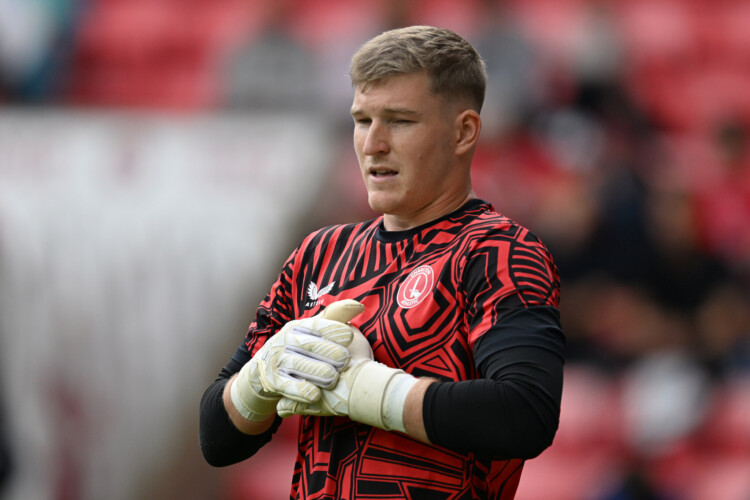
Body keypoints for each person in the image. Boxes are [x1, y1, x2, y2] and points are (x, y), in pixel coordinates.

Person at [199, 25, 565, 499]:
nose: (373, 143)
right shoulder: (318, 254)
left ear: (464, 132)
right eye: (362, 120)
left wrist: (374, 392)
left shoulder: (499, 251)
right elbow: (217, 439)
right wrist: (259, 379)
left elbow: (525, 413)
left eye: (400, 120)